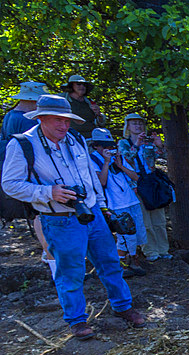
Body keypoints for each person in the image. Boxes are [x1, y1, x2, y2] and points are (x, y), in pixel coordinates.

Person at [2, 95, 144, 339]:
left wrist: (102, 206)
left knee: (110, 262)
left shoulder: (76, 139)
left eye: (67, 120)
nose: (63, 125)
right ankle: (77, 320)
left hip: (92, 212)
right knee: (70, 270)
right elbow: (10, 184)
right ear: (41, 118)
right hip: (59, 218)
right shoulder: (23, 144)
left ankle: (123, 306)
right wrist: (48, 192)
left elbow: (89, 175)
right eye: (58, 120)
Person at [1, 82, 52, 273]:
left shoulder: (10, 116)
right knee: (40, 211)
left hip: (18, 170)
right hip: (30, 172)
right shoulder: (25, 120)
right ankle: (48, 253)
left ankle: (48, 253)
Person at [89, 128, 147, 277]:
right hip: (115, 204)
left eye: (110, 146)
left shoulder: (118, 158)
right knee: (124, 236)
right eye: (104, 146)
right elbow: (101, 182)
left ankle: (133, 259)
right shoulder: (93, 160)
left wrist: (120, 165)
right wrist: (107, 163)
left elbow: (136, 177)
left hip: (131, 200)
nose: (108, 149)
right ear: (96, 146)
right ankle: (120, 263)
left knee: (137, 233)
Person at [119, 113, 171, 261]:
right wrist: (137, 145)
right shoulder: (124, 143)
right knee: (144, 220)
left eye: (140, 123)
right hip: (136, 185)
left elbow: (162, 156)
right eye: (134, 123)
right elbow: (126, 158)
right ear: (128, 126)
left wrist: (159, 144)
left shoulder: (149, 142)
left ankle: (163, 249)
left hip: (153, 184)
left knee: (159, 219)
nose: (138, 126)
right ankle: (150, 251)